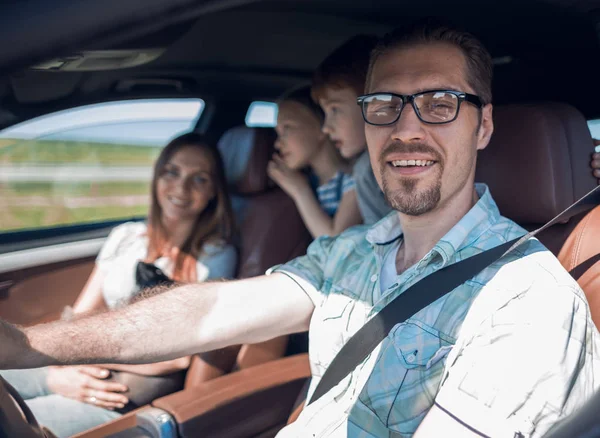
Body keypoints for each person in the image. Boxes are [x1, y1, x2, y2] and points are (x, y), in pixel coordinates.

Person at [1, 23, 599, 437]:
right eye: (384, 104)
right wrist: (30, 346)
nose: (406, 129)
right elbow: (207, 314)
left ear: (484, 126)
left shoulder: (527, 301)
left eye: (439, 102)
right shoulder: (353, 252)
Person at [1, 132, 237, 437]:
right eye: (172, 172)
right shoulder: (126, 236)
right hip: (83, 361)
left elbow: (179, 355)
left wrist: (85, 361)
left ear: (214, 191)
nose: (181, 188)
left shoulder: (214, 255)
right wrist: (61, 372)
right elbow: (81, 313)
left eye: (199, 179)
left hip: (121, 388)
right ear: (157, 177)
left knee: (10, 425)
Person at [312, 35, 394, 225]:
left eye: (335, 109)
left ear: (375, 103)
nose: (325, 127)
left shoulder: (367, 168)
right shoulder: (363, 168)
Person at [268, 86, 362, 238]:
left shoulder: (355, 178)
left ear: (322, 126)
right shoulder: (308, 182)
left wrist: (300, 190)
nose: (277, 144)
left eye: (287, 128)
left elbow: (335, 245)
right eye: (277, 133)